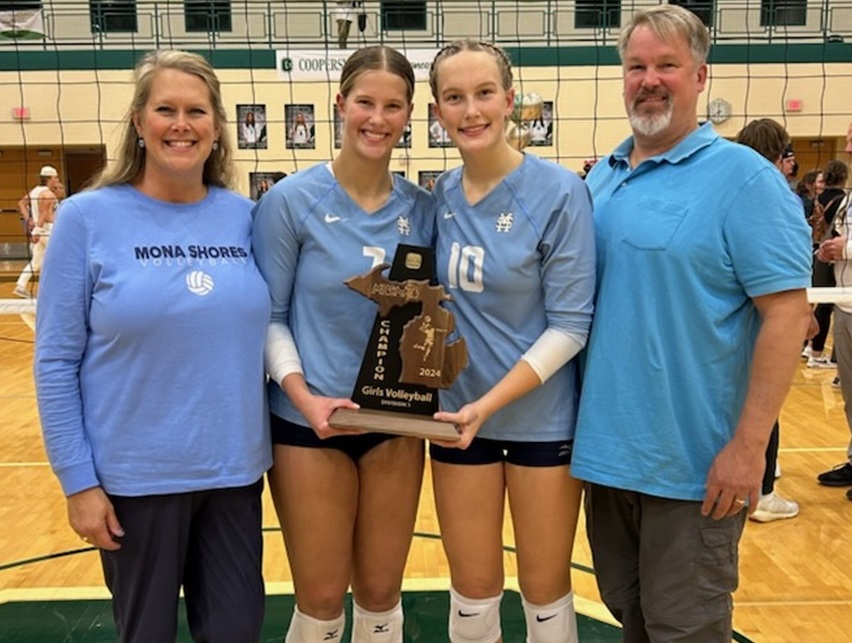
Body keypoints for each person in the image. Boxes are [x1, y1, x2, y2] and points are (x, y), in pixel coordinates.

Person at [571, 6, 812, 641]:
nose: (649, 80)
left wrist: (749, 449)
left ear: (701, 76)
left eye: (667, 66)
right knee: (631, 617)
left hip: (695, 466)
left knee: (687, 628)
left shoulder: (746, 180)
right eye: (636, 67)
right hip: (606, 458)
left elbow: (789, 315)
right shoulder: (601, 181)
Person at [34, 50, 271, 643]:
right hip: (134, 482)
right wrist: (79, 482)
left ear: (217, 127)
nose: (180, 124)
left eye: (196, 110)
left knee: (237, 631)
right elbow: (56, 360)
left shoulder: (249, 219)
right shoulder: (86, 218)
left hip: (233, 474)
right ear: (139, 122)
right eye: (165, 109)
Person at [252, 46, 433, 643]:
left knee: (381, 594)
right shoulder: (290, 202)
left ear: (410, 113)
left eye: (392, 106)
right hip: (309, 426)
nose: (377, 118)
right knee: (323, 598)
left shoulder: (424, 210)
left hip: (394, 425)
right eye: (365, 102)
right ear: (340, 104)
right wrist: (303, 398)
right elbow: (270, 318)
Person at [427, 39, 596, 643]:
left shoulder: (558, 192)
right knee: (472, 590)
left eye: (484, 93)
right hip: (454, 418)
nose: (470, 110)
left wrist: (487, 405)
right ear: (437, 112)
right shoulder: (438, 197)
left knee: (545, 590)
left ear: (511, 101)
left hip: (538, 422)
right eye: (454, 97)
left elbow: (571, 326)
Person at [734, 117, 812, 522]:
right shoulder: (780, 197)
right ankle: (762, 491)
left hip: (730, 325)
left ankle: (759, 475)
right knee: (767, 400)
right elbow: (793, 269)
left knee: (740, 401)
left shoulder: (726, 184)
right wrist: (808, 313)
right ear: (782, 154)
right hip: (765, 321)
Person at [815, 121, 852, 497]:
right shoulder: (848, 195)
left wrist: (845, 249)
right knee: (850, 393)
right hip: (844, 302)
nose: (848, 140)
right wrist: (827, 249)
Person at [808, 159, 850, 367]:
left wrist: (844, 248)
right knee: (824, 305)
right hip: (835, 264)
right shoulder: (845, 199)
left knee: (821, 305)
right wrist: (834, 248)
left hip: (822, 254)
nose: (848, 149)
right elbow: (840, 234)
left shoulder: (822, 198)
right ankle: (815, 351)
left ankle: (813, 349)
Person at [13, 165, 61, 298]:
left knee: (36, 262)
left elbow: (21, 203)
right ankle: (51, 290)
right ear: (49, 178)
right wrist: (37, 231)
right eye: (55, 177)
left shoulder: (34, 191)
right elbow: (44, 214)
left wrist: (29, 220)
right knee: (56, 259)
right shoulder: (48, 194)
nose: (57, 180)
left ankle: (21, 286)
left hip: (39, 229)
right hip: (47, 230)